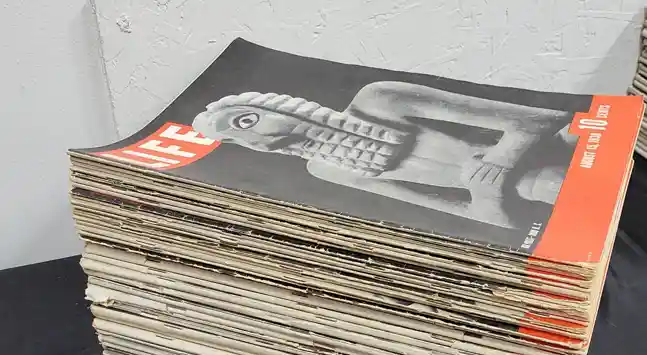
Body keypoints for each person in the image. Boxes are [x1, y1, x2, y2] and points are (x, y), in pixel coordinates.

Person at [192, 81, 578, 229]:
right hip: (534, 187)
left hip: (556, 147)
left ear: (276, 105)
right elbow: (489, 219)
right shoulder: (329, 170)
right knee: (547, 187)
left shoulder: (381, 100)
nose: (258, 142)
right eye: (237, 140)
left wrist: (500, 161)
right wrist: (484, 191)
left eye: (246, 122)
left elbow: (540, 120)